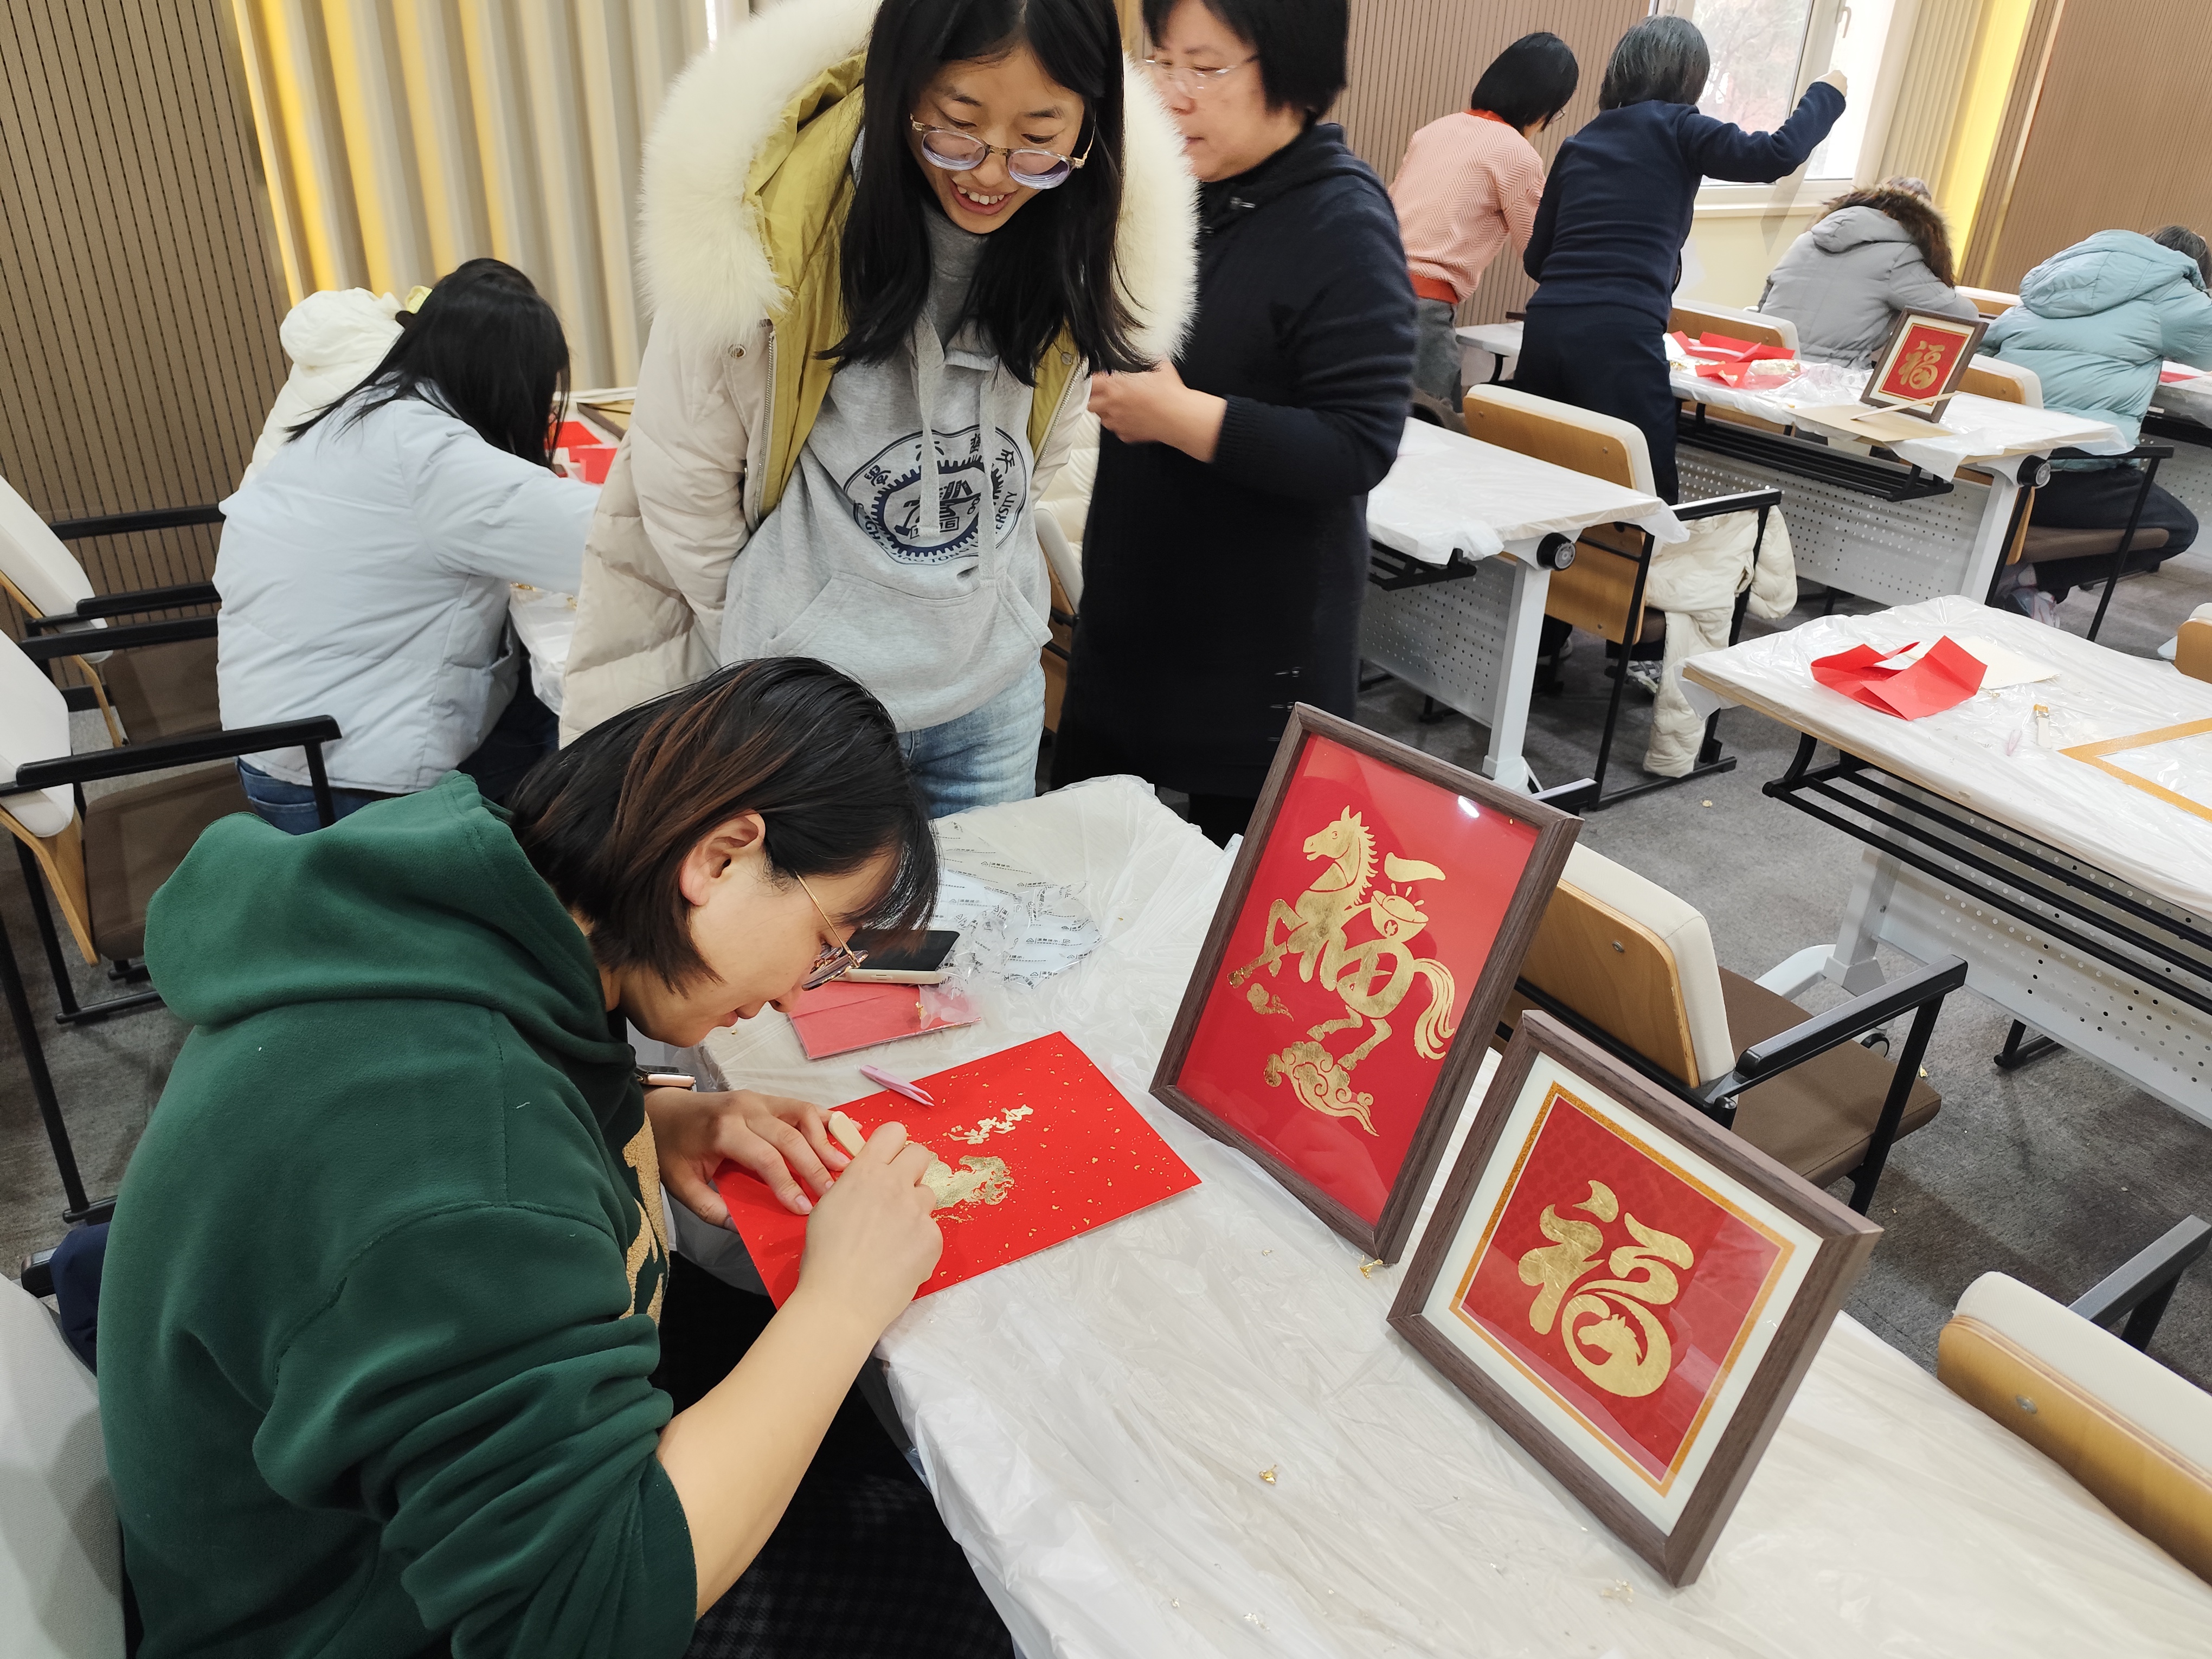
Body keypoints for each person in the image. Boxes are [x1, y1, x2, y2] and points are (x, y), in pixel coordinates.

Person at [98, 655, 1020, 1657]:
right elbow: (581, 1621)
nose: (804, 991)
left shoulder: (467, 900)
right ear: (721, 858)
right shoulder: (461, 1168)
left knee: (873, 1444)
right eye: (827, 940)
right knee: (970, 1593)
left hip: (367, 1517)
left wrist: (641, 1116)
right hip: (362, 1621)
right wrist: (843, 1303)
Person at [561, 0, 1197, 820]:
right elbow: (683, 477)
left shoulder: (1082, 236)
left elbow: (1037, 454)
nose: (991, 173)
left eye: (1039, 139)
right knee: (822, 911)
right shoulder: (766, 226)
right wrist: (774, 637)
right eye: (957, 127)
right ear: (902, 89)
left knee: (984, 904)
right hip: (810, 712)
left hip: (990, 695)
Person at [1049, 0, 1416, 846]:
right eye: (1162, 61)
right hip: (1138, 619)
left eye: (1206, 67)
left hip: (1257, 651)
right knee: (1086, 867)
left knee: (1236, 900)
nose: (1174, 93)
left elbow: (1359, 445)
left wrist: (1183, 418)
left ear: (1292, 73)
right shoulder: (1182, 194)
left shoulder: (1344, 224)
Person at [216, 258, 591, 832]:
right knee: (582, 733)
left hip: (285, 735)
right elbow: (603, 538)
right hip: (340, 783)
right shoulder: (433, 459)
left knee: (537, 696)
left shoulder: (365, 406)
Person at [1516, 16, 1846, 502]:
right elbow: (1777, 155)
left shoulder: (1581, 141)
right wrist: (1828, 93)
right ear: (1689, 77)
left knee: (1541, 483)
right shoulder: (1680, 128)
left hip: (1546, 328)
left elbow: (1536, 258)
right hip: (1620, 336)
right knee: (1646, 498)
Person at [1982, 224, 2212, 606]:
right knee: (2179, 527)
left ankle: (2033, 589)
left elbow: (1983, 356)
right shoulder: (2171, 294)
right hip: (2058, 476)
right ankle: (2024, 575)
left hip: (1991, 463)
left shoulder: (2053, 282)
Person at [1390, 31, 1579, 406]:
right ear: (1543, 106)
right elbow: (1540, 253)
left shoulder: (1433, 131)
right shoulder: (1517, 154)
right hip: (1421, 312)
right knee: (1434, 426)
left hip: (1369, 288)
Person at [1756, 176, 1979, 366]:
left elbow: (1765, 303)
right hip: (1829, 379)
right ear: (1922, 221)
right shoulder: (1898, 257)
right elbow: (1964, 315)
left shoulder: (1806, 240)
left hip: (1764, 365)